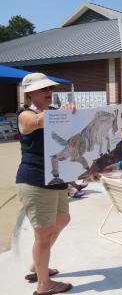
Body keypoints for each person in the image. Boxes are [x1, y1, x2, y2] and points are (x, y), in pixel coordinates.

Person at [16, 73, 74, 294]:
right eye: (43, 89)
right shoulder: (25, 115)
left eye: (50, 88)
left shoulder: (53, 113)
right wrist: (61, 114)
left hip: (56, 178)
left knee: (63, 219)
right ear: (30, 93)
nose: (49, 92)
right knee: (43, 234)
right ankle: (43, 285)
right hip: (35, 180)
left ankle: (36, 266)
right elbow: (37, 122)